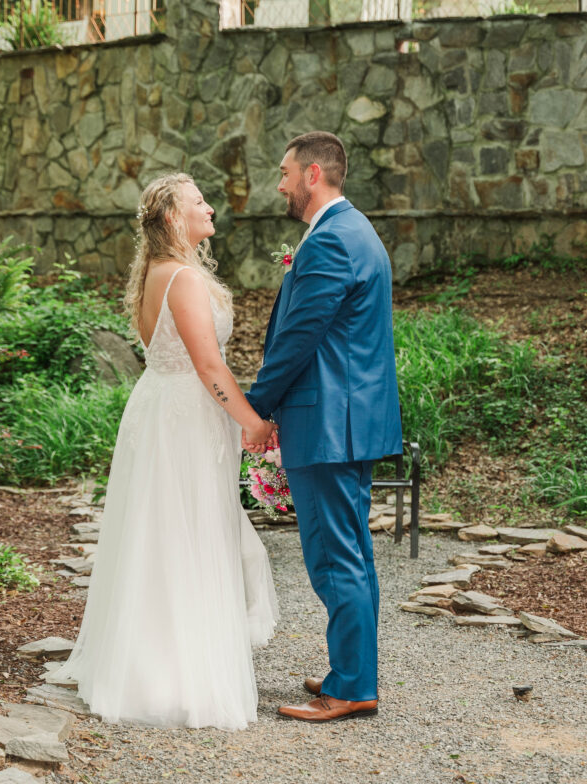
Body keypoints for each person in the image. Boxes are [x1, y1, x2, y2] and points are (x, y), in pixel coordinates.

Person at [53, 173, 278, 730]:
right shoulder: (180, 277)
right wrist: (253, 424)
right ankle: (176, 670)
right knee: (186, 527)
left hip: (165, 407)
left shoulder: (161, 272)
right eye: (198, 201)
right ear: (175, 219)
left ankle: (155, 654)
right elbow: (207, 364)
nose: (209, 207)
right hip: (185, 414)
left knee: (165, 528)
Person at [244, 131, 402, 723]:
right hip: (347, 420)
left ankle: (354, 686)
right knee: (351, 553)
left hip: (329, 423)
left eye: (285, 172)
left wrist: (258, 408)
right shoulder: (352, 230)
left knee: (336, 558)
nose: (279, 183)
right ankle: (350, 672)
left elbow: (296, 339)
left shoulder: (332, 239)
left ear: (313, 174)